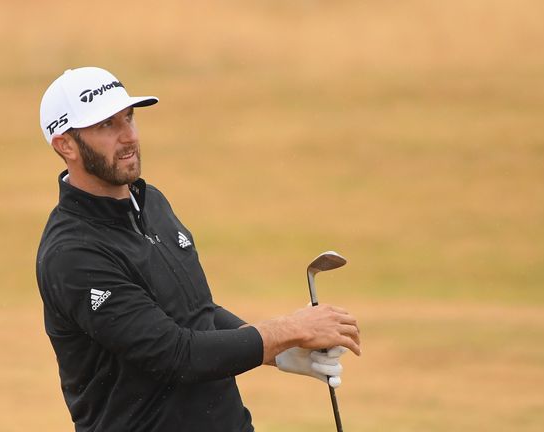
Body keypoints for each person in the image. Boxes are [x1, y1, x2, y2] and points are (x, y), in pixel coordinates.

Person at [35, 67, 361, 432]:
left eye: (129, 117)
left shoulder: (151, 203)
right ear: (65, 144)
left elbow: (198, 313)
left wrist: (278, 353)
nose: (128, 136)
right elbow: (176, 354)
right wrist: (286, 330)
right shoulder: (73, 254)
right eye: (106, 126)